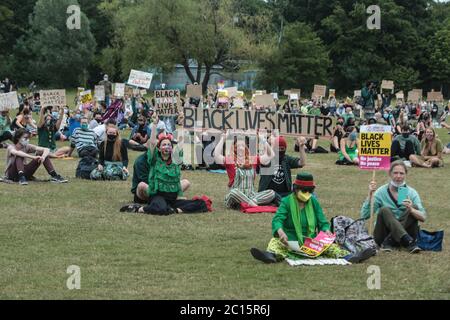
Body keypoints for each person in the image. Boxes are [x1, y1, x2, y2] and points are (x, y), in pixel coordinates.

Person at [250, 173, 376, 263]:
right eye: (303, 190)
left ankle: (350, 257)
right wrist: (281, 232)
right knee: (274, 243)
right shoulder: (286, 202)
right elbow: (278, 220)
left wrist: (326, 230)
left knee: (332, 248)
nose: (306, 194)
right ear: (296, 189)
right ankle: (271, 256)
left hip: (310, 242)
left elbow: (323, 222)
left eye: (309, 191)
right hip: (289, 241)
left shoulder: (314, 202)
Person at [121, 115, 207, 215]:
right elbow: (152, 143)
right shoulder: (154, 159)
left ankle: (174, 210)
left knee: (202, 204)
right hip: (158, 195)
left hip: (172, 197)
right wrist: (154, 125)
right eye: (164, 144)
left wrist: (184, 125)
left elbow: (182, 141)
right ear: (159, 148)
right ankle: (139, 209)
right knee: (161, 208)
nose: (167, 146)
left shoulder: (175, 159)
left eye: (169, 145)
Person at [361, 161, 425, 253]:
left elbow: (423, 217)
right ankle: (405, 240)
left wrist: (411, 209)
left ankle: (391, 240)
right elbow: (364, 215)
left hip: (406, 235)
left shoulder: (411, 192)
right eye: (395, 173)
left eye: (401, 173)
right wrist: (370, 195)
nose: (398, 176)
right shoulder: (381, 192)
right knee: (384, 210)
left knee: (413, 207)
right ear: (389, 174)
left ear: (406, 174)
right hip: (384, 235)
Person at [214, 131, 276, 209]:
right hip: (236, 195)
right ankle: (252, 204)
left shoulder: (252, 159)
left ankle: (250, 203)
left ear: (246, 147)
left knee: (271, 192)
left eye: (243, 145)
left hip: (251, 195)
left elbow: (271, 155)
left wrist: (263, 139)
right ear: (234, 148)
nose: (240, 148)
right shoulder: (230, 160)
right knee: (233, 192)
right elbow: (216, 156)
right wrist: (222, 139)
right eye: (238, 146)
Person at [258, 136, 307, 201]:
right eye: (278, 148)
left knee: (303, 193)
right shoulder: (267, 159)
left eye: (282, 148)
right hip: (268, 194)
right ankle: (281, 201)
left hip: (285, 193)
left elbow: (302, 163)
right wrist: (269, 143)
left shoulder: (286, 159)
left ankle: (281, 201)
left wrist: (301, 147)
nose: (280, 150)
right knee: (272, 194)